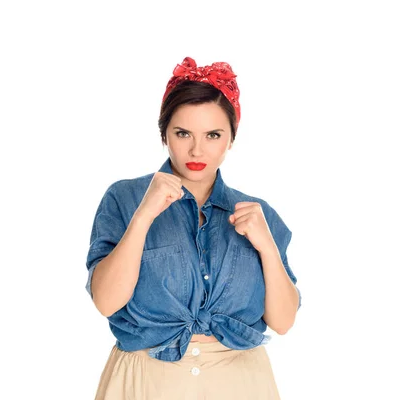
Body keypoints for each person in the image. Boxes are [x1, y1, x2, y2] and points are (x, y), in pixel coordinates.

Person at [85, 56, 302, 400]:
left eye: (213, 135)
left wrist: (267, 248)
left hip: (242, 386)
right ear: (164, 135)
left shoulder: (257, 214)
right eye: (182, 133)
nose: (197, 149)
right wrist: (143, 219)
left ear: (231, 138)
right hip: (145, 383)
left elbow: (283, 322)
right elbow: (107, 302)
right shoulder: (124, 199)